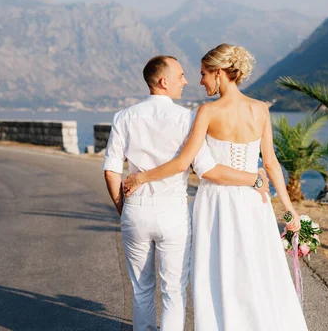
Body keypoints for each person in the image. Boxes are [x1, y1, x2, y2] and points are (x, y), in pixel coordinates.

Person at [123, 44, 308, 330]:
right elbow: (271, 164)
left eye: (203, 74)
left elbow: (186, 163)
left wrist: (142, 177)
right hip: (253, 202)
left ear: (219, 73)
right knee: (256, 270)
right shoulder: (260, 109)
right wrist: (289, 209)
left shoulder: (207, 111)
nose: (199, 81)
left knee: (218, 274)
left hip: (216, 203)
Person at [103, 55, 269, 331]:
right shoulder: (187, 118)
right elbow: (207, 168)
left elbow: (110, 171)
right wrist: (254, 178)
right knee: (174, 291)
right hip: (173, 213)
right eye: (180, 76)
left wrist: (124, 208)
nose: (186, 80)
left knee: (141, 289)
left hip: (136, 209)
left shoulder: (124, 117)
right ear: (163, 81)